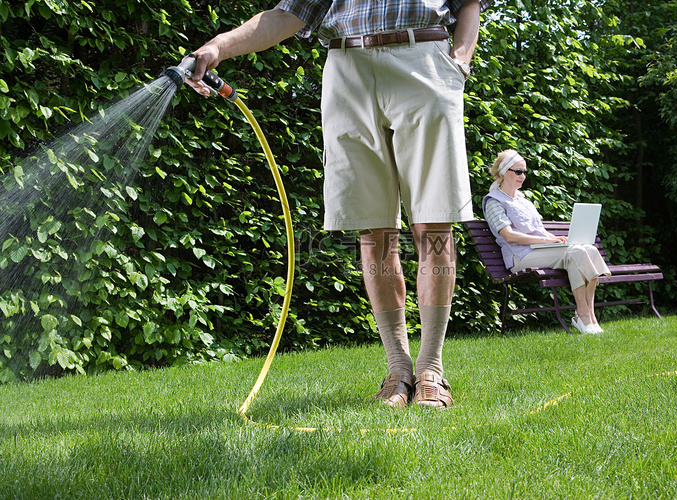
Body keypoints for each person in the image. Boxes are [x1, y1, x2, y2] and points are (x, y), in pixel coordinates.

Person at [187, 1, 492, 408]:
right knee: (373, 229)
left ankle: (431, 368)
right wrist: (216, 48)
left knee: (434, 224)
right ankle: (399, 369)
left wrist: (460, 64)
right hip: (347, 71)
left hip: (425, 64)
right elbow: (282, 17)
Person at [482, 150, 611, 334]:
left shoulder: (524, 201)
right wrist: (545, 240)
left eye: (524, 172)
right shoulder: (494, 201)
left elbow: (539, 229)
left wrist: (555, 239)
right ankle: (582, 315)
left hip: (539, 251)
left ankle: (588, 316)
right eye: (518, 171)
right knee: (577, 253)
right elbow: (509, 236)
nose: (522, 176)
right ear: (503, 172)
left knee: (587, 249)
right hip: (520, 256)